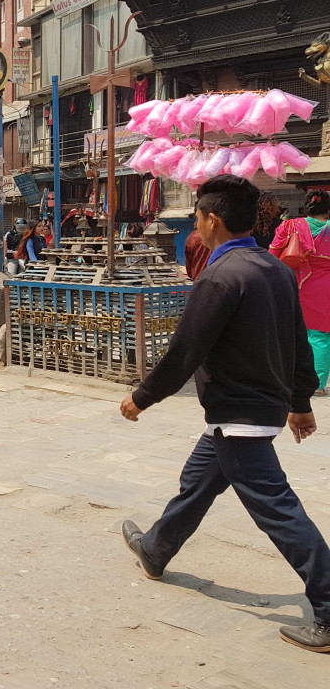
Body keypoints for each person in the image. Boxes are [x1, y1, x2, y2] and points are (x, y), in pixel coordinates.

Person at [118, 174, 330, 654]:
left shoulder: (220, 275)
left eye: (196, 216)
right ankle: (156, 548)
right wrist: (299, 402)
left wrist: (144, 396)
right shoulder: (273, 268)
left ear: (212, 220)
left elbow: (186, 349)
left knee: (278, 511)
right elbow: (299, 339)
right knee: (198, 480)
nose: (196, 224)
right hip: (255, 407)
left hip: (240, 412)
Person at [270, 188, 330, 397]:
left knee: (293, 333)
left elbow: (273, 254)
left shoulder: (290, 226)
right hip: (326, 287)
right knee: (320, 335)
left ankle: (290, 377)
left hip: (295, 283)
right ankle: (318, 384)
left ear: (306, 206)